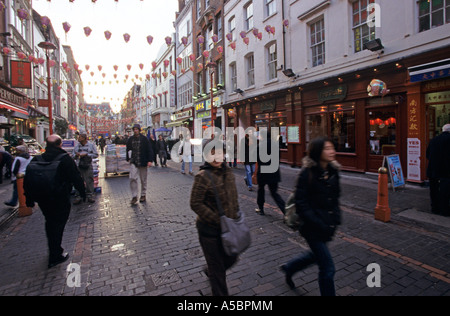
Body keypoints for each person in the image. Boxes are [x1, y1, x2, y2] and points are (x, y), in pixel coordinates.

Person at [280, 137, 342, 296]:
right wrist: (317, 222)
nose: (332, 151)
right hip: (312, 228)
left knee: (316, 256)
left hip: (327, 225)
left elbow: (335, 198)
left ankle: (290, 267)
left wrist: (336, 217)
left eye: (332, 148)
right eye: (327, 148)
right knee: (328, 268)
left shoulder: (333, 171)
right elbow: (301, 203)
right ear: (317, 151)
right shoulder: (306, 174)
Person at [24, 135, 86, 269]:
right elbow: (76, 177)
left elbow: (27, 180)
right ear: (60, 144)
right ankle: (55, 253)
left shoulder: (37, 158)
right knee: (58, 224)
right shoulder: (64, 159)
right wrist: (82, 192)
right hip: (59, 197)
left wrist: (28, 200)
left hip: (43, 198)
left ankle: (54, 248)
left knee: (50, 222)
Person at [190, 139, 239, 296]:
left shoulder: (228, 172)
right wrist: (216, 219)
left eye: (219, 153)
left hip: (228, 228)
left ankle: (211, 269)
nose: (217, 157)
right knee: (218, 273)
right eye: (212, 154)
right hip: (209, 231)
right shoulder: (203, 176)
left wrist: (235, 214)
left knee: (231, 258)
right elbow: (195, 203)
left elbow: (233, 196)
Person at [255, 131, 285, 215]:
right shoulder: (276, 145)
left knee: (261, 190)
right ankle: (285, 211)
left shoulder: (260, 146)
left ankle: (261, 209)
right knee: (274, 193)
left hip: (263, 172)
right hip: (274, 172)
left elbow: (257, 158)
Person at [126, 124, 154, 205]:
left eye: (136, 129)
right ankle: (134, 196)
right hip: (134, 161)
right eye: (134, 129)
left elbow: (149, 149)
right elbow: (128, 149)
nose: (135, 131)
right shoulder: (130, 139)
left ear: (139, 130)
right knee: (132, 178)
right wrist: (128, 158)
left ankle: (143, 194)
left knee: (143, 179)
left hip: (143, 161)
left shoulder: (144, 139)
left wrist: (150, 160)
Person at [427, 124, 450, 216]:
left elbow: (427, 154)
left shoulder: (434, 140)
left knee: (434, 190)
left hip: (433, 169)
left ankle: (435, 208)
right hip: (446, 170)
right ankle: (445, 210)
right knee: (445, 191)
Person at [72, 133, 98, 204]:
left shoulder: (91, 145)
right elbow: (73, 155)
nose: (78, 139)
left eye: (80, 137)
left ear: (84, 138)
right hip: (79, 165)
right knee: (78, 181)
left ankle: (90, 196)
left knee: (89, 180)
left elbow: (96, 154)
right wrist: (77, 155)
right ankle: (78, 196)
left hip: (87, 165)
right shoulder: (77, 146)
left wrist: (87, 154)